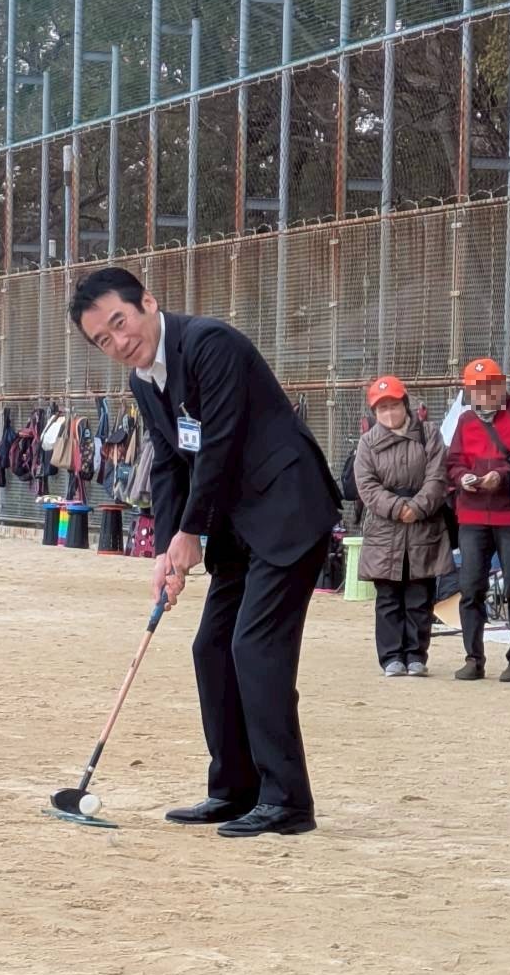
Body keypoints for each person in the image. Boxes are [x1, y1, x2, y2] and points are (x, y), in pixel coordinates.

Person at [68, 267, 342, 838]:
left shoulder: (210, 344)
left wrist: (192, 532)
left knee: (255, 647)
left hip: (288, 509)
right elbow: (170, 463)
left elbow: (218, 442)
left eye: (120, 322)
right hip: (240, 524)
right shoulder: (144, 381)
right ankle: (235, 790)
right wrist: (166, 551)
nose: (118, 341)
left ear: (147, 302)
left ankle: (287, 801)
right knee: (211, 647)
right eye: (102, 339)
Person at [353, 375, 454, 677]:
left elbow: (438, 476)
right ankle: (391, 657)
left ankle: (416, 655)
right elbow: (366, 485)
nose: (388, 413)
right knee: (388, 597)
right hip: (385, 529)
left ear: (405, 405)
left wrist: (418, 506)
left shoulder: (428, 433)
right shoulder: (368, 442)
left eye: (394, 406)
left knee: (419, 595)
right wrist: (398, 508)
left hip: (424, 524)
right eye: (381, 408)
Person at [447, 357, 510, 681]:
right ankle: (473, 658)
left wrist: (502, 475)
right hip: (471, 513)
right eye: (477, 388)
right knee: (470, 588)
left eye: (490, 385)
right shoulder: (466, 419)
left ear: (501, 384)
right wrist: (463, 477)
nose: (485, 393)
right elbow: (453, 462)